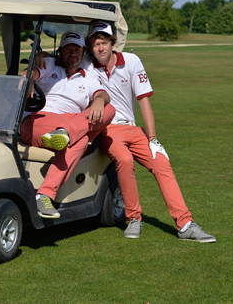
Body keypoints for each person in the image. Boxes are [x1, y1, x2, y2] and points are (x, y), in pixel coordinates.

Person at [85, 20, 216, 242]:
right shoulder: (87, 64)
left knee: (162, 163)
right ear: (90, 46)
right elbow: (61, 58)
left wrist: (153, 138)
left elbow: (144, 100)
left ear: (112, 42)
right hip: (107, 130)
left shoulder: (132, 61)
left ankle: (185, 224)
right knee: (125, 160)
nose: (100, 48)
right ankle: (134, 218)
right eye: (95, 43)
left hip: (133, 129)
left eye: (104, 42)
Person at [21, 31, 115, 218]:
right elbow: (30, 71)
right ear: (60, 51)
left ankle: (44, 195)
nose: (72, 54)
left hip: (68, 124)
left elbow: (103, 94)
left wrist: (98, 99)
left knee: (108, 109)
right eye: (68, 49)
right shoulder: (49, 64)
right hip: (38, 120)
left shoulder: (88, 76)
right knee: (79, 140)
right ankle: (67, 134)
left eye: (76, 50)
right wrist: (29, 78)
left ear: (83, 52)